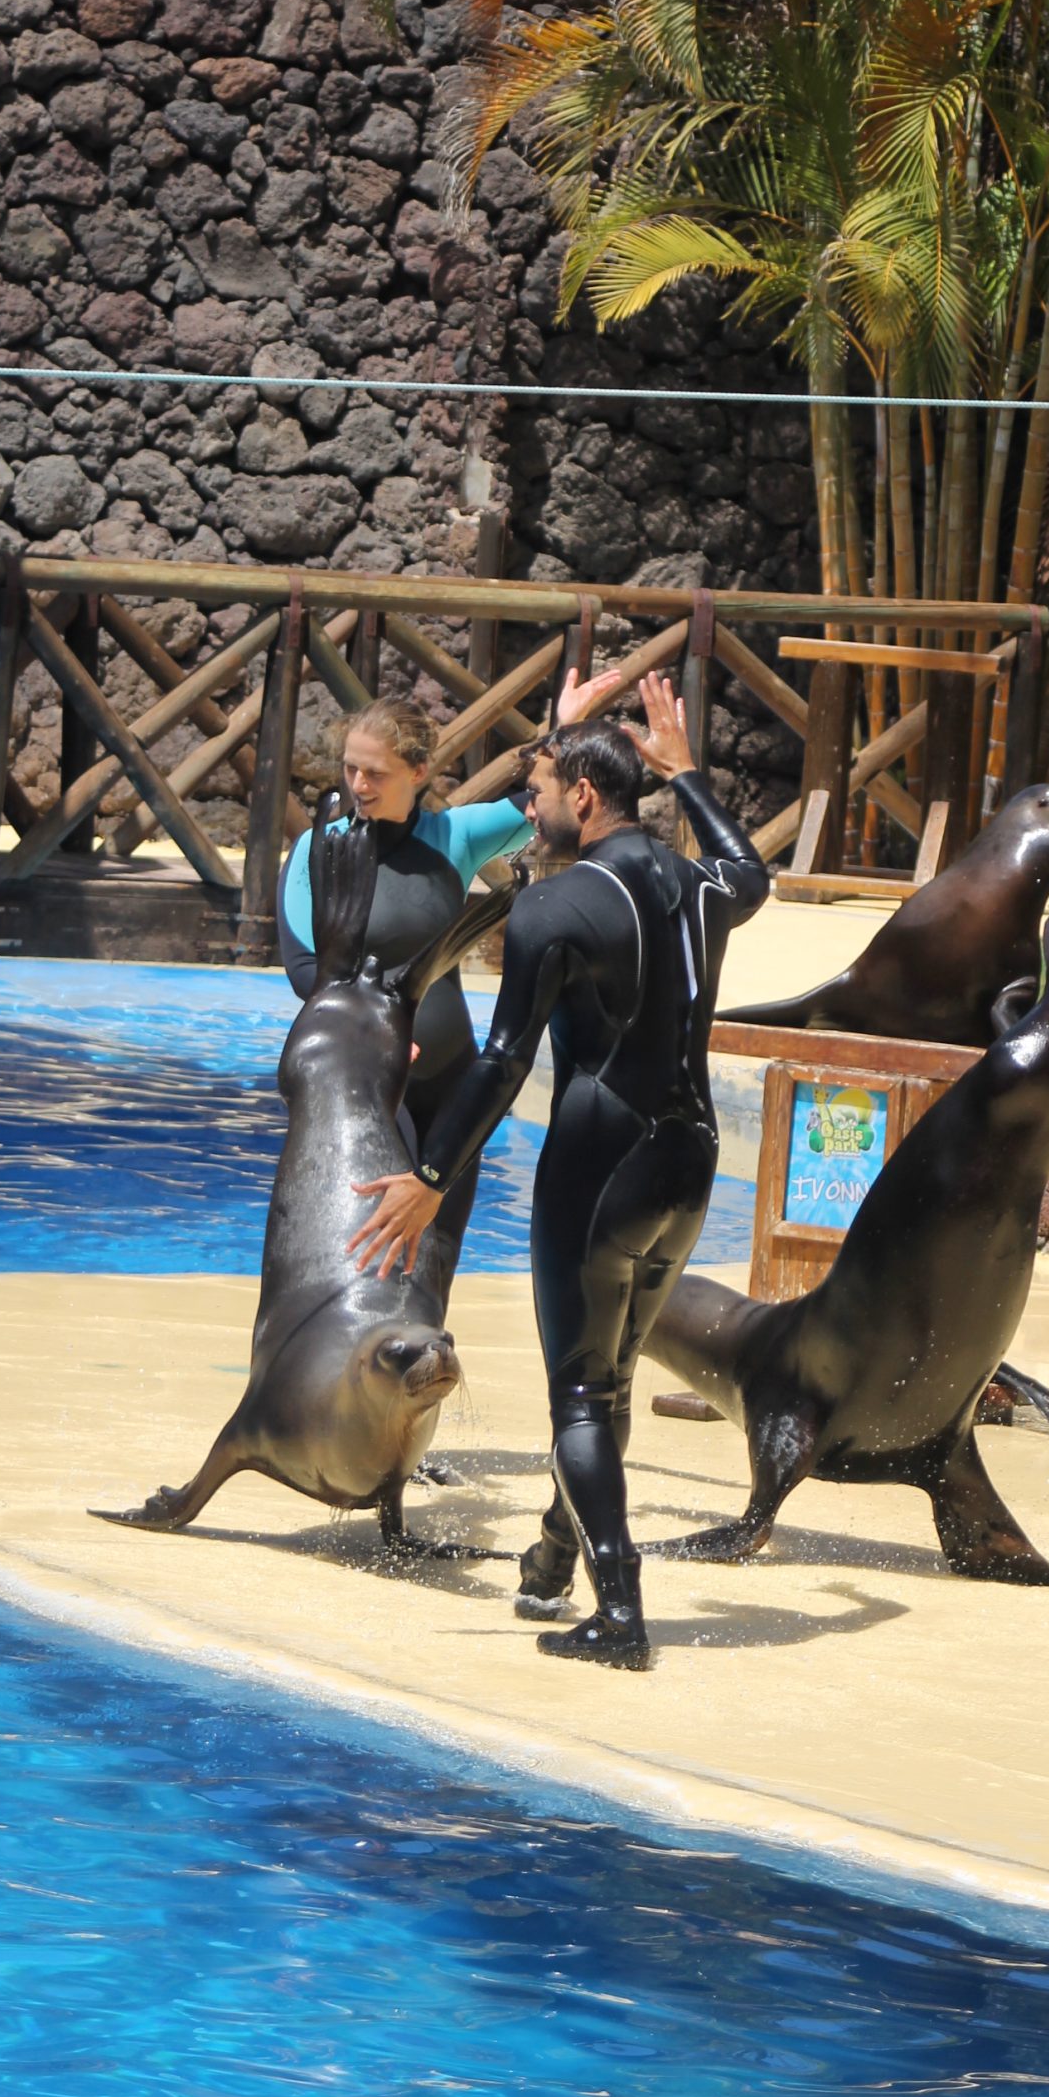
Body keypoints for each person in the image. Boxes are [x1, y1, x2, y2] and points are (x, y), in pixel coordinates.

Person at [347, 676, 770, 1672]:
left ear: (583, 796)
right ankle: (553, 1553)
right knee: (611, 1375)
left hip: (599, 1166)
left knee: (582, 1392)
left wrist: (433, 1171)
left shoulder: (551, 907)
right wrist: (687, 774)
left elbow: (503, 1061)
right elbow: (751, 871)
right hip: (689, 1163)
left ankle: (620, 1615)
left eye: (537, 791)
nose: (527, 810)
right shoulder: (699, 887)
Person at [278, 676, 613, 1300]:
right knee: (375, 1258)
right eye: (351, 769)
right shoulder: (318, 849)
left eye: (375, 773)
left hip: (451, 1080)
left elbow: (543, 800)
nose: (358, 785)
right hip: (368, 1077)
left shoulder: (454, 837)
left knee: (436, 1258)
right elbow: (303, 966)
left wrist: (563, 732)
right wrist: (369, 1034)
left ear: (419, 772)